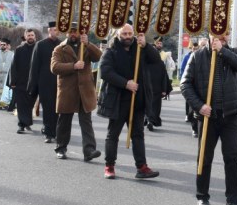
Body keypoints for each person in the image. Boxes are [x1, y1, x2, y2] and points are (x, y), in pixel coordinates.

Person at [181, 33, 237, 205]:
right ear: (210, 35)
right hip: (208, 117)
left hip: (230, 115)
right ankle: (202, 196)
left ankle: (233, 202)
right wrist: (199, 106)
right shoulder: (198, 56)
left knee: (232, 158)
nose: (222, 37)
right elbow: (185, 84)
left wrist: (222, 51)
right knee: (204, 158)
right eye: (217, 34)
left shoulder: (232, 53)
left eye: (225, 33)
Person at [97, 24, 160, 179]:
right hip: (118, 100)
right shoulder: (111, 51)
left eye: (129, 33)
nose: (127, 36)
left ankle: (142, 167)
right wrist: (126, 83)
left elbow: (156, 60)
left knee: (138, 135)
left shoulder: (140, 48)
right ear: (119, 34)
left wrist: (146, 45)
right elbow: (105, 72)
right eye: (124, 33)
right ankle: (109, 166)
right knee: (113, 135)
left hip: (137, 101)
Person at [51, 26, 102, 161]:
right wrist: (73, 66)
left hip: (85, 90)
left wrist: (89, 44)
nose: (74, 34)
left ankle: (89, 150)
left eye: (76, 31)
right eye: (71, 31)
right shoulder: (59, 48)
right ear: (67, 32)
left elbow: (98, 57)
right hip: (68, 90)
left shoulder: (86, 46)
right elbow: (54, 67)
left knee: (86, 121)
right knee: (64, 121)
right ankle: (61, 148)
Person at [27, 23, 61, 144]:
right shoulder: (40, 45)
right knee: (47, 108)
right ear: (49, 30)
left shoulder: (62, 45)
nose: (56, 32)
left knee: (58, 109)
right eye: (54, 29)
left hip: (59, 82)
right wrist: (32, 84)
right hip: (45, 82)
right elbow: (34, 66)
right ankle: (48, 132)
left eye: (58, 30)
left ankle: (55, 131)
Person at [9, 29, 36, 133]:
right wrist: (13, 81)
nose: (30, 37)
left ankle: (27, 122)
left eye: (32, 35)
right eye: (28, 35)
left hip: (34, 83)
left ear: (35, 37)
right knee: (21, 104)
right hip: (21, 82)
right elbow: (14, 66)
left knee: (30, 104)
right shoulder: (19, 49)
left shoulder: (38, 48)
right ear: (25, 37)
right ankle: (21, 125)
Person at [145, 38, 171, 131]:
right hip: (148, 88)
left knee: (152, 106)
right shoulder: (144, 62)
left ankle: (149, 120)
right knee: (150, 106)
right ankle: (149, 120)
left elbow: (164, 77)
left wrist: (164, 90)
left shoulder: (160, 63)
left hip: (155, 89)